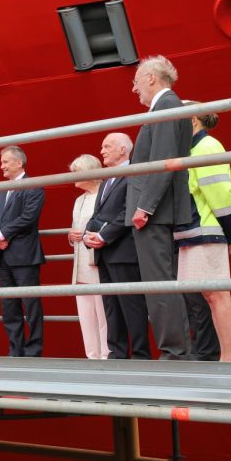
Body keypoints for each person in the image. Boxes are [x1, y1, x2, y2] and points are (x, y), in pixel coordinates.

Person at [127, 55, 193, 359]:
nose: (134, 88)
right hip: (158, 209)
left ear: (152, 78)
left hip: (154, 212)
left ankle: (174, 353)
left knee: (158, 284)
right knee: (161, 282)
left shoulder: (166, 106)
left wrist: (145, 207)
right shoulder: (169, 106)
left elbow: (164, 159)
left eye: (137, 81)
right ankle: (176, 350)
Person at [174, 110, 231, 362]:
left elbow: (220, 194)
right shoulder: (195, 148)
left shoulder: (207, 146)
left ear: (192, 120)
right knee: (211, 296)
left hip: (205, 230)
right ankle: (229, 358)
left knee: (217, 295)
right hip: (196, 229)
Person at [83, 133, 151, 359]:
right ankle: (117, 352)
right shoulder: (107, 179)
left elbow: (128, 210)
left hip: (124, 251)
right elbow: (98, 214)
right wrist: (87, 235)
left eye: (107, 146)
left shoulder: (133, 174)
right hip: (105, 252)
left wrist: (103, 236)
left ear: (123, 150)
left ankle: (141, 355)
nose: (101, 151)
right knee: (111, 306)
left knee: (132, 306)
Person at [0, 146, 46, 357]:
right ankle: (15, 349)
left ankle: (34, 351)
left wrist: (2, 235)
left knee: (31, 306)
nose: (1, 166)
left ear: (18, 163)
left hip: (24, 256)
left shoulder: (33, 186)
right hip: (3, 257)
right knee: (9, 307)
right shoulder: (1, 190)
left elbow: (28, 218)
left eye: (5, 162)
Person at [67, 155, 109, 360]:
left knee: (103, 315)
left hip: (98, 261)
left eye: (77, 171)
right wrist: (71, 235)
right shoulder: (79, 199)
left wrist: (84, 234)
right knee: (86, 316)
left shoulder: (105, 194)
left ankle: (106, 357)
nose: (73, 175)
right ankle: (92, 357)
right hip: (81, 263)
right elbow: (76, 228)